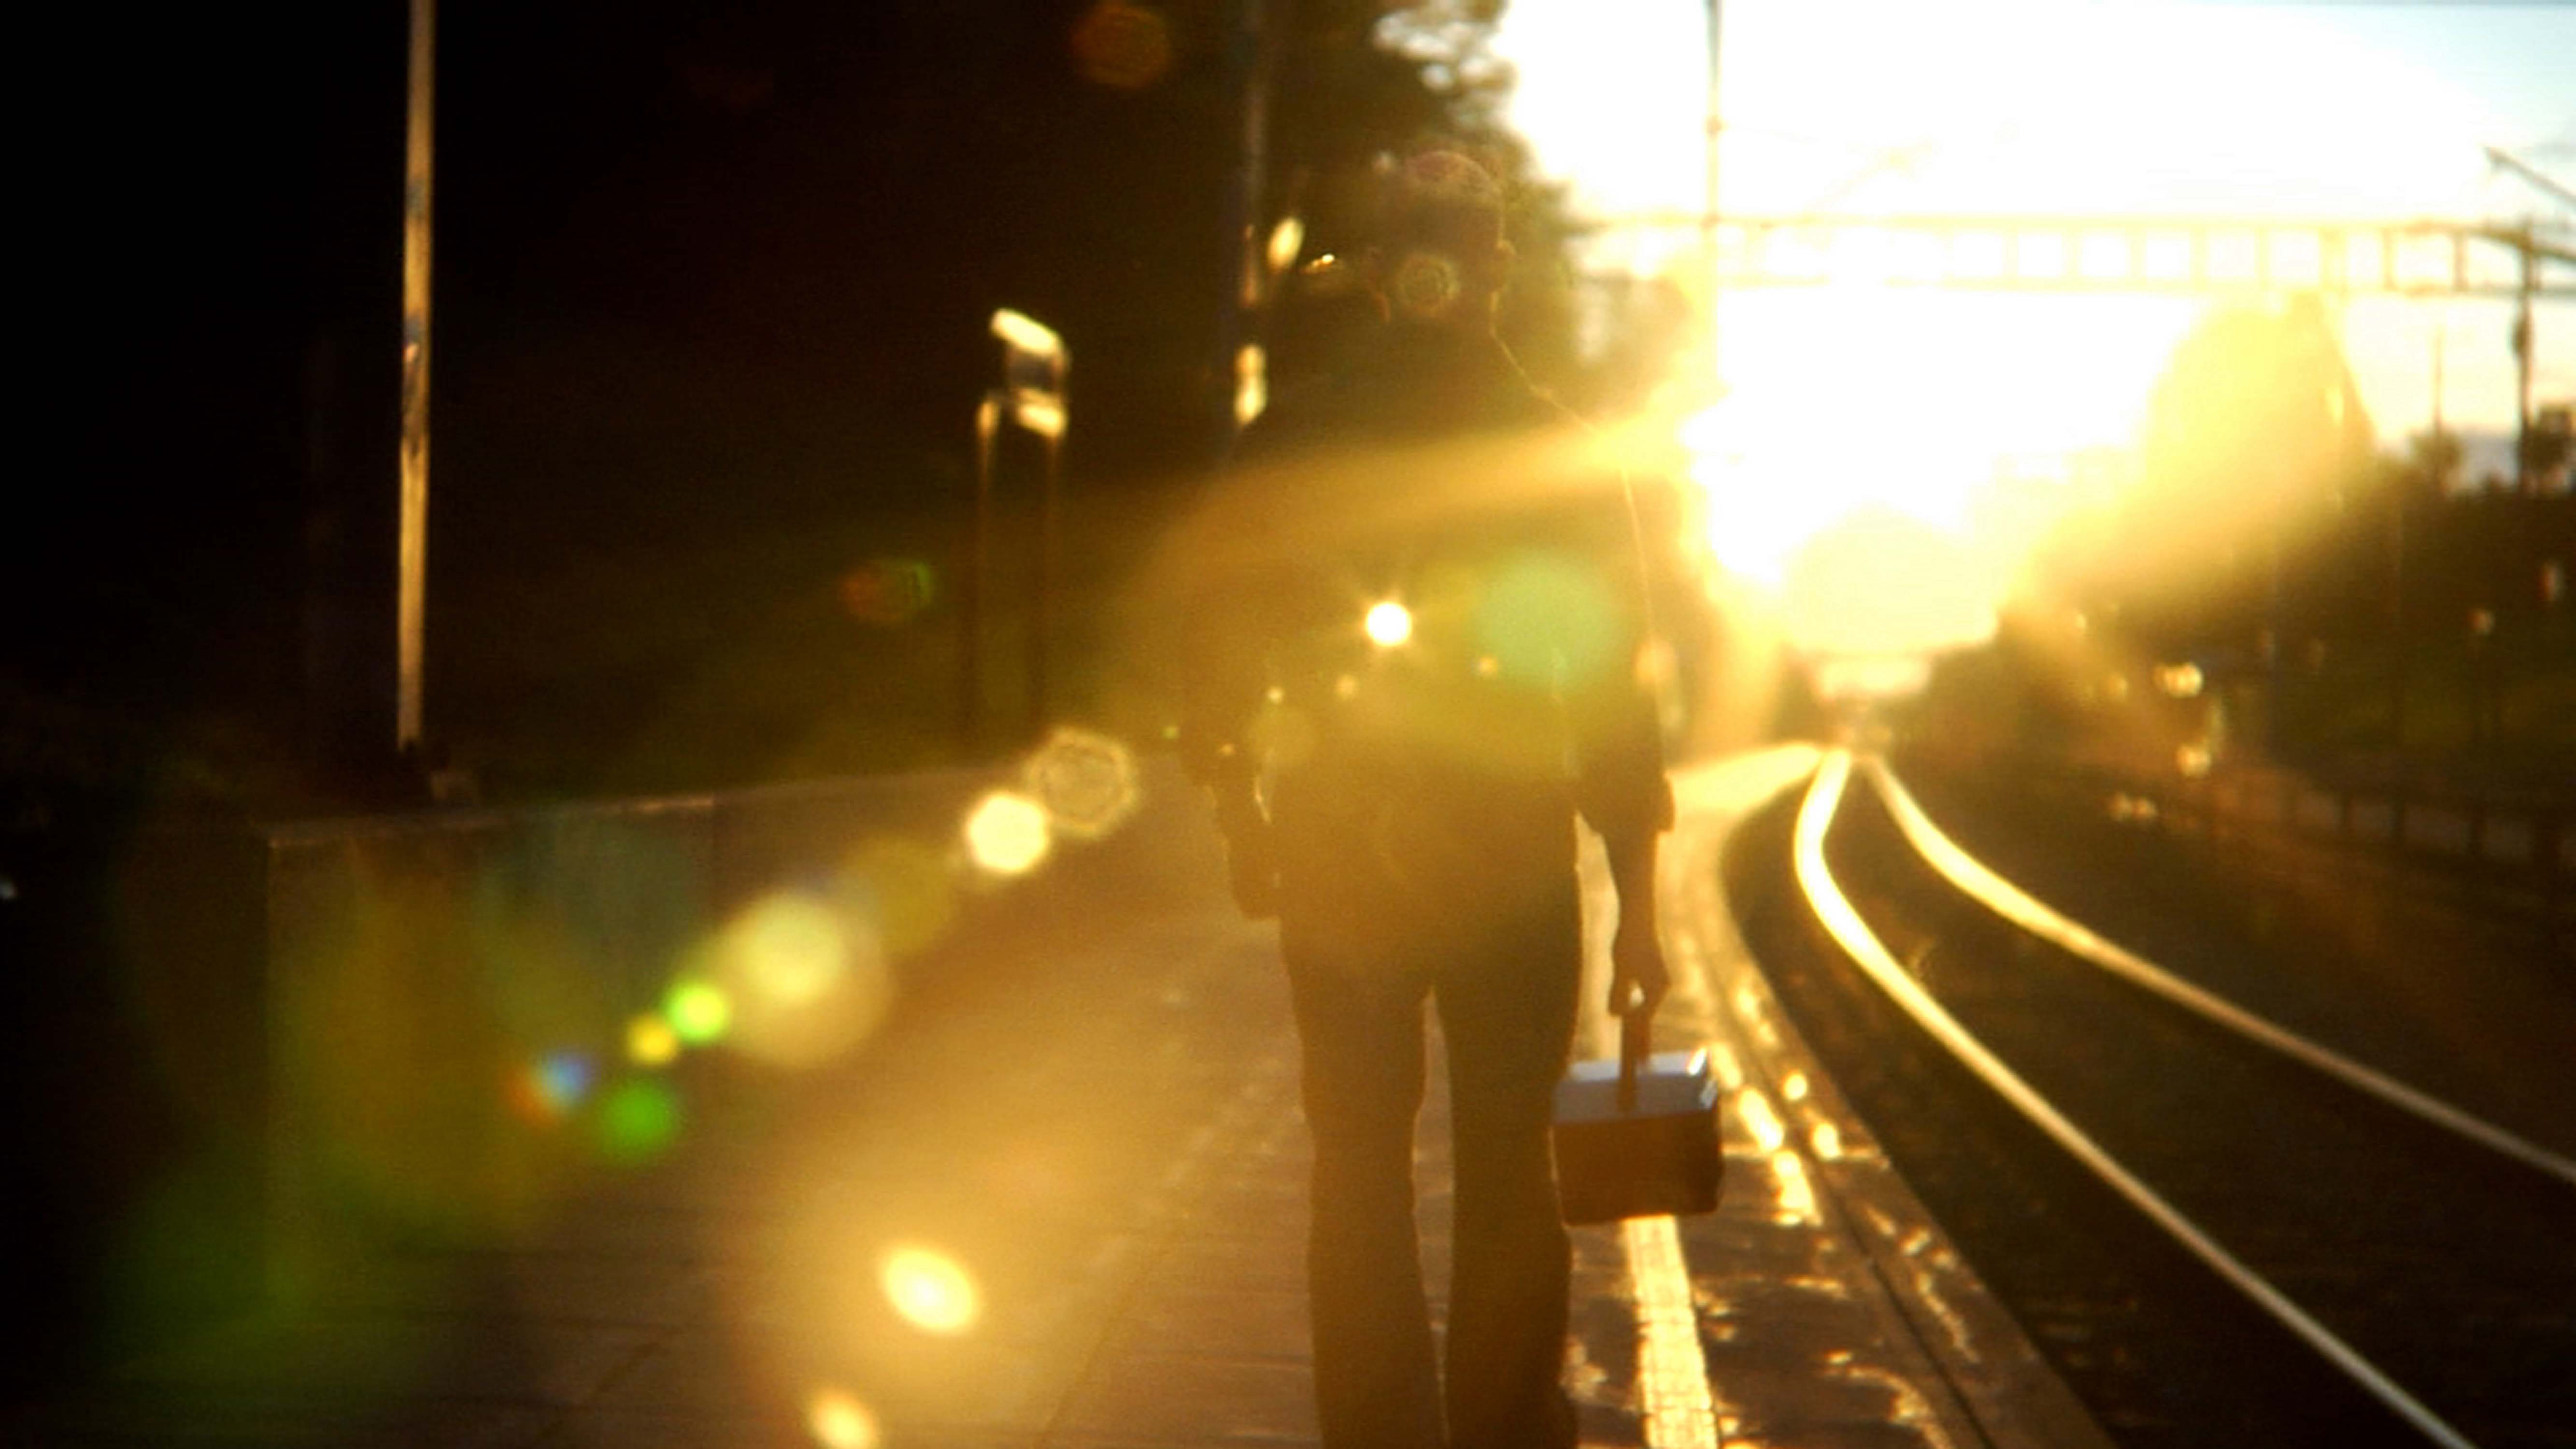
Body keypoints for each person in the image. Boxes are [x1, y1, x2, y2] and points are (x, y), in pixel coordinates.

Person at [1179, 148, 1675, 1449]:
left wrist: (1239, 805)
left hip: (1342, 858)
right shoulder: (1564, 456)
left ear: (1381, 281)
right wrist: (1643, 910)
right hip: (1512, 865)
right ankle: (1507, 1432)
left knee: (1356, 1171)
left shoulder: (1295, 436)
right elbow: (1620, 705)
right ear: (1497, 271)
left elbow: (1212, 634)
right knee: (1510, 1177)